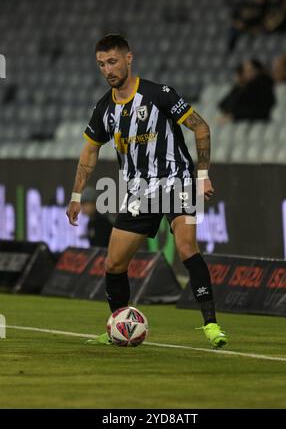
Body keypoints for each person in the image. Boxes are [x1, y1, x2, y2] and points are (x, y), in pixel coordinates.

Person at [66, 34, 228, 348]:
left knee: (186, 247)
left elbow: (201, 126)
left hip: (176, 181)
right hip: (139, 192)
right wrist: (75, 196)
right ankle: (118, 327)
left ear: (129, 58)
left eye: (112, 61)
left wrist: (202, 174)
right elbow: (89, 153)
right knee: (114, 264)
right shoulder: (104, 109)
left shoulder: (159, 94)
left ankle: (211, 325)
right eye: (101, 64)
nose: (107, 69)